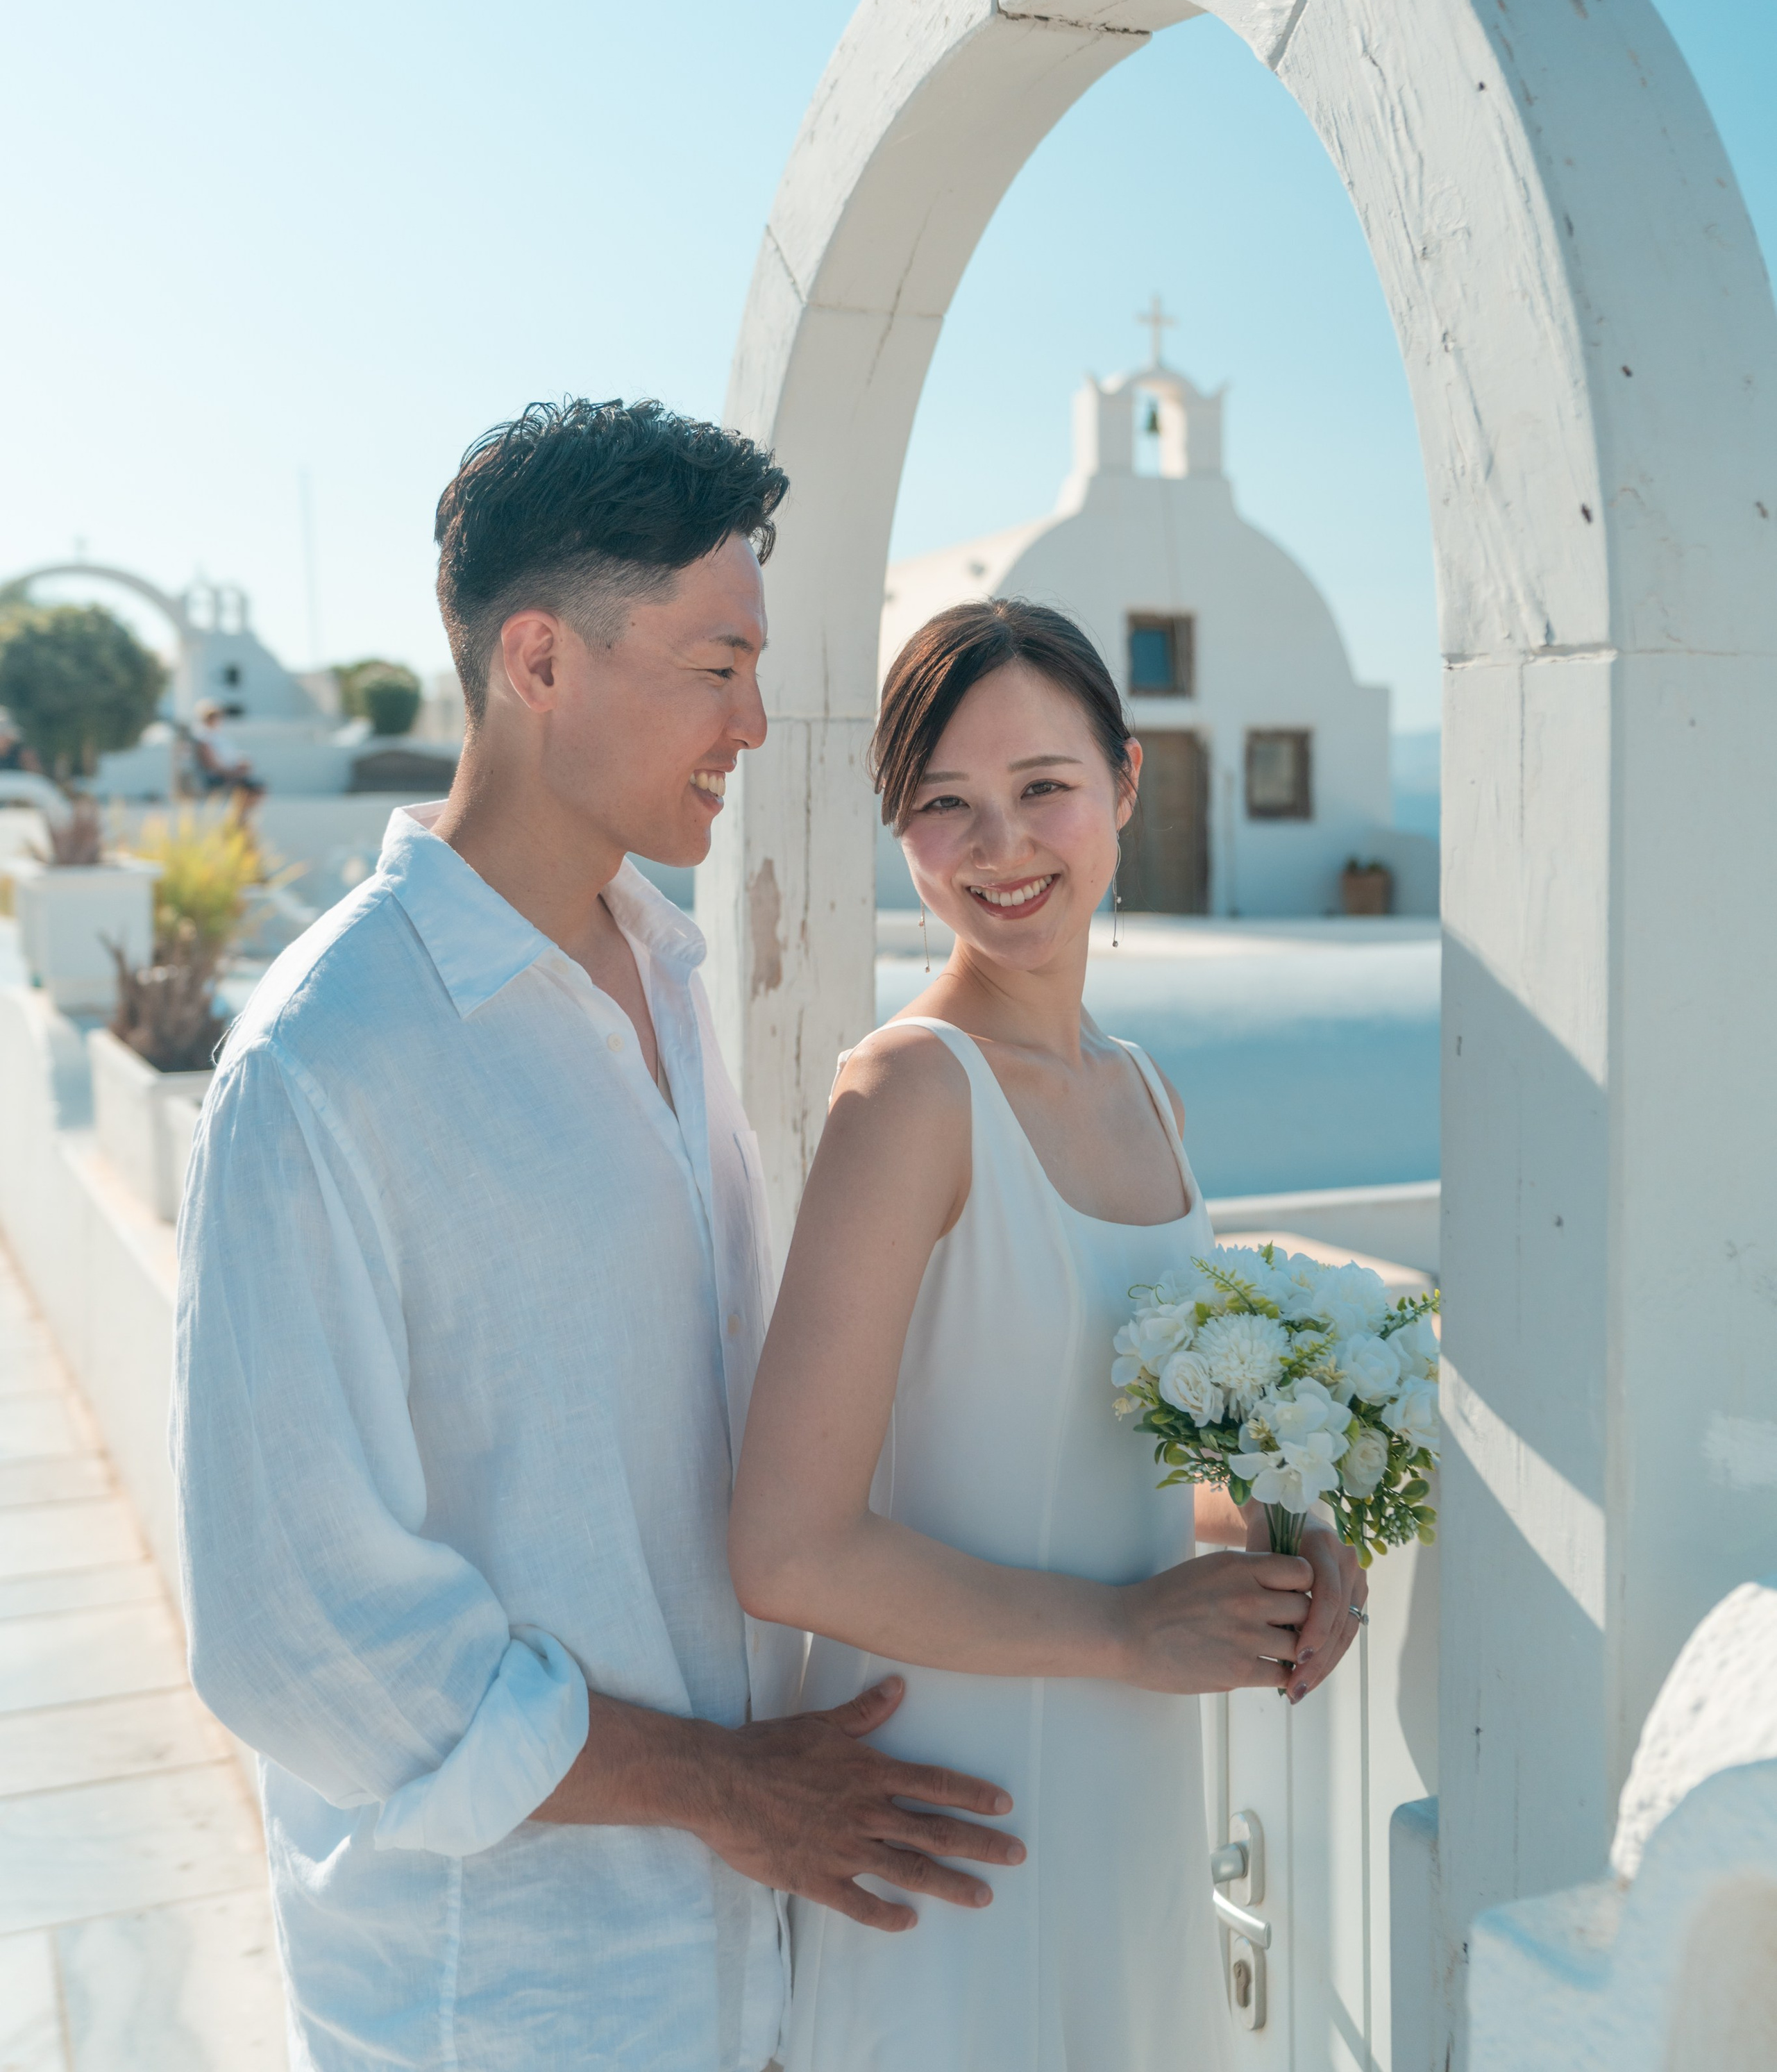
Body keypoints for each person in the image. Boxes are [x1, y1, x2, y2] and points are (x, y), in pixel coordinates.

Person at [173, 399, 1018, 2072]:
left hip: (746, 1951)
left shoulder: (667, 972)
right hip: (503, 1998)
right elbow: (296, 1637)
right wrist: (725, 1792)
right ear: (539, 663)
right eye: (716, 666)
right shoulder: (322, 1067)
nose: (757, 721)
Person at [730, 598, 1370, 2072]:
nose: (1001, 847)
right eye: (943, 805)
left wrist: (1280, 1538)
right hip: (955, 1821)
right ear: (899, 829)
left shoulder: (1146, 1093)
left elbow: (1098, 1453)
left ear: (1124, 784)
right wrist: (1121, 1633)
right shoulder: (906, 1098)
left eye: (1042, 789)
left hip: (1129, 1796)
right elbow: (786, 1547)